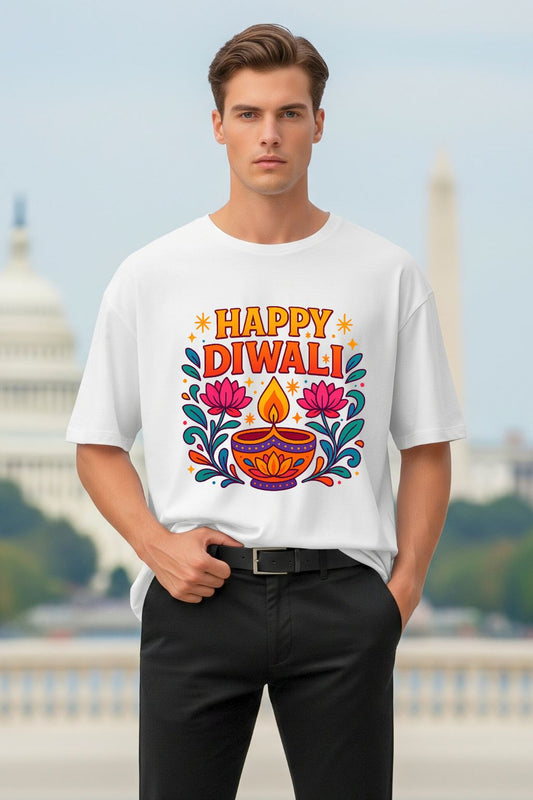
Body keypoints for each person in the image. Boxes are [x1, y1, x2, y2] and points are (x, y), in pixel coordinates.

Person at [67, 23, 466, 800]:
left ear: (319, 123)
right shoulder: (152, 275)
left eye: (288, 113)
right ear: (216, 126)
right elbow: (97, 442)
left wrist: (401, 590)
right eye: (248, 114)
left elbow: (425, 445)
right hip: (198, 595)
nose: (269, 134)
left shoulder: (384, 273)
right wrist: (156, 546)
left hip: (341, 598)